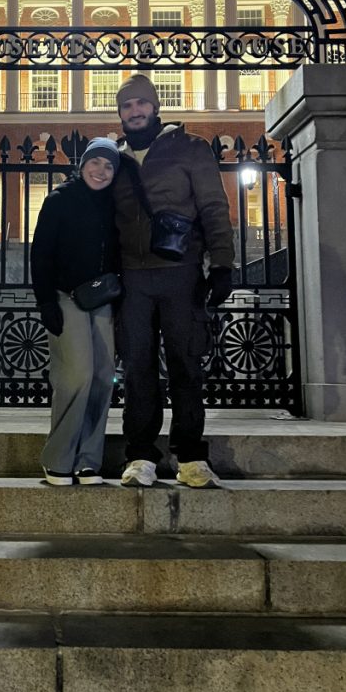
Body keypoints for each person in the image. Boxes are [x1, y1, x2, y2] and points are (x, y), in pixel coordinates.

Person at [112, 74, 234, 489]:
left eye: (141, 104)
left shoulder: (190, 148)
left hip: (180, 273)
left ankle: (191, 456)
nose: (135, 111)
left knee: (186, 364)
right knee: (137, 369)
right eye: (127, 106)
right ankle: (141, 455)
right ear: (120, 113)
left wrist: (221, 264)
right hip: (132, 277)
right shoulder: (115, 157)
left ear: (155, 107)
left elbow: (214, 206)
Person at [31, 138, 121, 486]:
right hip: (65, 296)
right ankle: (58, 457)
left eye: (109, 165)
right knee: (78, 374)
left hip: (101, 298)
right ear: (82, 165)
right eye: (95, 163)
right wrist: (45, 303)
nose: (101, 171)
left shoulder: (115, 206)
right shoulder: (60, 201)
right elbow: (40, 255)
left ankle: (87, 459)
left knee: (103, 377)